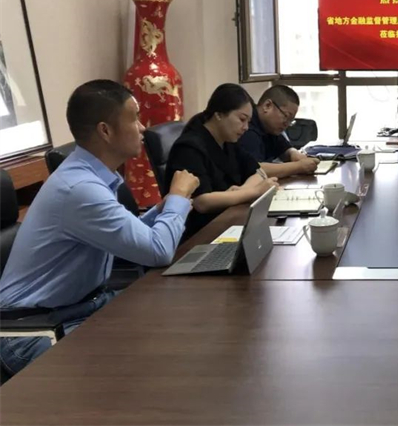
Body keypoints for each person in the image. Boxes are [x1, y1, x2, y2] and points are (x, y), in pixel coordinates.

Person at [0, 80, 199, 377]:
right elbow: (158, 251)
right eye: (134, 118)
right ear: (105, 131)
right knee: (137, 370)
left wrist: (163, 208)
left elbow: (134, 237)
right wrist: (179, 198)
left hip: (82, 306)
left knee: (178, 325)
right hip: (33, 329)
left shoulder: (91, 177)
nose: (142, 128)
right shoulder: (80, 189)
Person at [166, 83, 278, 239]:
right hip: (198, 233)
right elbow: (201, 202)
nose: (246, 127)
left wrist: (241, 191)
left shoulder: (228, 141)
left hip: (227, 221)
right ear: (218, 114)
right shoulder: (189, 147)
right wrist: (253, 192)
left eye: (248, 122)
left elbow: (258, 172)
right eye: (242, 119)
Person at [238, 85, 319, 178]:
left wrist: (294, 153)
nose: (287, 124)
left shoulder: (270, 127)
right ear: (267, 106)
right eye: (286, 116)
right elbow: (255, 169)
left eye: (291, 120)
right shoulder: (248, 129)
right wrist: (299, 167)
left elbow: (284, 148)